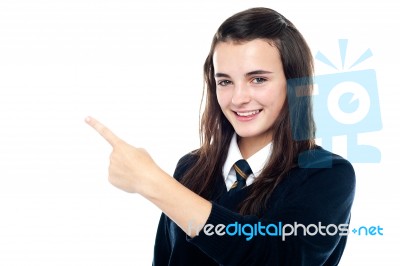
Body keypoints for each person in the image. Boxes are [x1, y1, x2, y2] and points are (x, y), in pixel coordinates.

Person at [86, 7, 356, 266]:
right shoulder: (192, 168)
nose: (238, 98)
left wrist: (152, 182)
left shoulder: (326, 175)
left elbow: (272, 256)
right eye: (225, 82)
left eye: (258, 79)